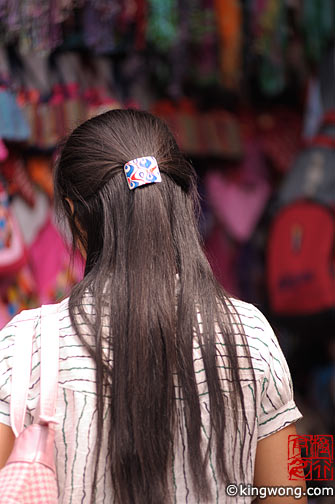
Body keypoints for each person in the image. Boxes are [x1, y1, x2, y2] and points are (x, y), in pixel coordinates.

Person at [0, 109, 306, 503]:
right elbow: (294, 492)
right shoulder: (253, 335)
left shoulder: (25, 348)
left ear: (76, 216)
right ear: (178, 203)